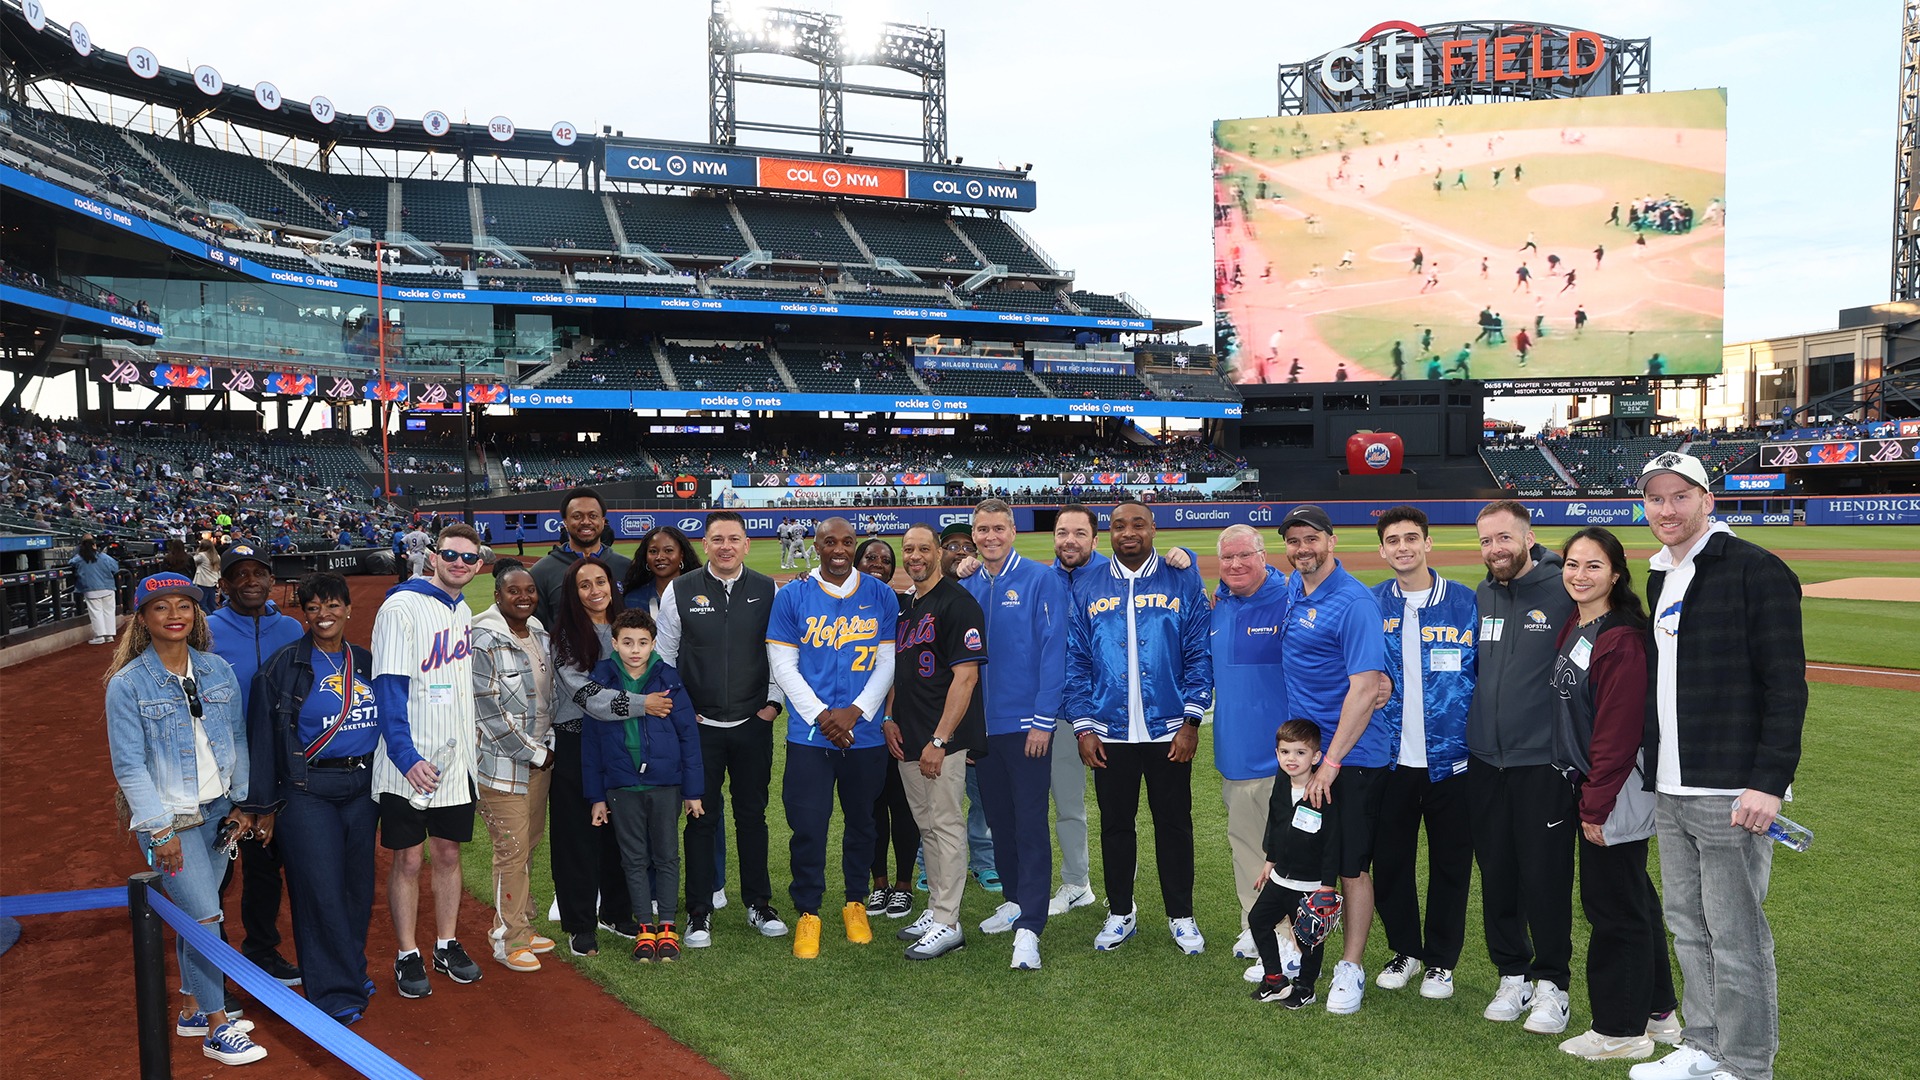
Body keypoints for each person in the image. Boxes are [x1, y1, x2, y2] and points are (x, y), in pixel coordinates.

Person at [1630, 452, 1805, 1080]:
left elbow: (1786, 686)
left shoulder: (1757, 570)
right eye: (1655, 498)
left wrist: (1770, 782)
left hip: (1733, 791)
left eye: (1680, 496)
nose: (1667, 510)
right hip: (1672, 786)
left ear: (1708, 500)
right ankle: (1703, 1047)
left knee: (1737, 938)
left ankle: (1748, 1062)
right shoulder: (1661, 575)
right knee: (1688, 929)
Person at [105, 573, 268, 1066]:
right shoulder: (127, 684)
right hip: (171, 820)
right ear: (143, 619)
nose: (174, 614)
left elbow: (237, 738)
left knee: (200, 913)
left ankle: (193, 1007)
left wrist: (242, 803)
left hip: (221, 810)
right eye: (161, 607)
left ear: (197, 614)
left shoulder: (216, 669)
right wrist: (160, 830)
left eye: (184, 605)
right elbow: (128, 766)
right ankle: (218, 1029)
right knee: (205, 919)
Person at [1549, 528, 1679, 1062]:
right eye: (1572, 564)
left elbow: (1618, 731)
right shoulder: (1581, 623)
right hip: (1593, 779)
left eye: (1593, 566)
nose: (1579, 575)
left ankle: (1620, 1030)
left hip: (1614, 783)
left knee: (1612, 907)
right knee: (1633, 897)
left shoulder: (1622, 637)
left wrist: (1596, 803)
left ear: (1617, 574)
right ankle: (1658, 1013)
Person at [1065, 501, 1212, 954]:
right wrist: (1084, 727)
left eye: (1138, 525)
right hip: (1109, 733)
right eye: (1118, 526)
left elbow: (1198, 654)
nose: (1128, 533)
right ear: (1107, 534)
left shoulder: (1181, 577)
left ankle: (1181, 915)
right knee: (1115, 825)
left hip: (1168, 730)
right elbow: (1077, 660)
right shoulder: (1087, 584)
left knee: (1174, 825)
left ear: (1153, 529)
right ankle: (1120, 911)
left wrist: (1191, 721)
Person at [241, 572, 380, 1026]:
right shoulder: (283, 666)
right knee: (319, 889)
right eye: (314, 607)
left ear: (349, 609)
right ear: (304, 613)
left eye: (333, 605)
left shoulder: (366, 660)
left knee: (356, 889)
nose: (325, 615)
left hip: (361, 788)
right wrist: (262, 807)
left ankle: (351, 971)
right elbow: (263, 740)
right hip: (306, 791)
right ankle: (333, 991)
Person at [654, 512, 789, 948]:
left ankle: (759, 903)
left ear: (747, 544)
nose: (726, 546)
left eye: (734, 539)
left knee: (752, 816)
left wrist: (772, 704)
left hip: (752, 723)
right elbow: (665, 656)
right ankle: (698, 911)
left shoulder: (769, 589)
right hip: (699, 728)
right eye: (718, 539)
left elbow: (779, 652)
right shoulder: (681, 589)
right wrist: (681, 709)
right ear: (706, 544)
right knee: (700, 818)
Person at [1468, 500, 1578, 1035]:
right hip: (1486, 763)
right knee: (1498, 874)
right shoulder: (1484, 593)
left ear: (1528, 537)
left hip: (1543, 764)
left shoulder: (1565, 589)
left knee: (1545, 877)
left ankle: (1553, 984)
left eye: (1504, 539)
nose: (1495, 550)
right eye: (1486, 541)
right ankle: (1512, 973)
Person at [766, 517, 898, 959]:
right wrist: (824, 717)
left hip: (864, 736)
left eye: (847, 542)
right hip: (810, 736)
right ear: (816, 546)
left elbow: (886, 663)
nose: (838, 549)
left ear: (854, 545)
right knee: (808, 827)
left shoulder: (881, 595)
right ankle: (808, 911)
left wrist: (855, 712)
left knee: (863, 823)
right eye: (829, 542)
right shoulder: (793, 595)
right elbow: (783, 665)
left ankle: (855, 903)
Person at [1275, 505, 1388, 1013]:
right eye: (1294, 540)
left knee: (1350, 867)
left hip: (1352, 759)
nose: (1303, 548)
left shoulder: (1353, 601)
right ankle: (1305, 951)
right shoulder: (1293, 591)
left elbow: (1365, 689)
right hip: (1313, 758)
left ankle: (1352, 966)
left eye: (1312, 538)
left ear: (1331, 541)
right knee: (1312, 861)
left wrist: (1332, 763)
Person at [370, 524, 485, 998]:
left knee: (448, 853)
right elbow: (388, 688)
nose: (459, 563)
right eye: (451, 554)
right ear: (433, 557)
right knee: (409, 859)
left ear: (478, 565)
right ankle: (406, 952)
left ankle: (445, 942)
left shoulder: (464, 610)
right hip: (409, 764)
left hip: (455, 763)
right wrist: (405, 756)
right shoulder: (401, 606)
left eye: (469, 558)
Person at [1369, 506, 1477, 1002]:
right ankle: (1406, 951)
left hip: (1452, 760)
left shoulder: (1465, 602)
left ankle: (1440, 961)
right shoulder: (1371, 605)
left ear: (1428, 543)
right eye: (1393, 540)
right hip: (1389, 762)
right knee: (1391, 862)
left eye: (1412, 537)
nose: (1403, 547)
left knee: (1451, 864)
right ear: (1383, 549)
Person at [961, 500, 1068, 970]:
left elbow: (1053, 651)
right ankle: (1013, 899)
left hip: (1026, 727)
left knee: (1028, 823)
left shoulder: (1040, 578)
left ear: (1012, 531)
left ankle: (1031, 926)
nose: (990, 537)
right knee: (998, 820)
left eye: (997, 528)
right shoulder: (965, 581)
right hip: (981, 729)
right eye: (982, 530)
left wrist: (1043, 719)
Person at [886, 523, 989, 961]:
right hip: (909, 734)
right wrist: (890, 716)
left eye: (923, 549)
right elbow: (902, 670)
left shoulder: (957, 603)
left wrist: (940, 739)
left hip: (939, 739)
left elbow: (966, 678)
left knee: (945, 825)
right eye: (908, 549)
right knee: (926, 824)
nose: (915, 556)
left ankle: (948, 921)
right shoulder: (909, 606)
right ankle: (936, 909)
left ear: (938, 552)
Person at [205, 544, 306, 990]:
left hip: (280, 765)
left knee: (266, 867)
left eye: (258, 573)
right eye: (239, 574)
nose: (249, 581)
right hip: (223, 769)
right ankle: (215, 966)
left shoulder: (290, 628)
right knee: (217, 872)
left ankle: (261, 951)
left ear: (270, 580)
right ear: (223, 583)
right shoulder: (206, 631)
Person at [582, 610, 704, 963]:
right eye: (627, 642)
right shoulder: (601, 682)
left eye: (642, 643)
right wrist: (596, 797)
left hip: (665, 784)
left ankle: (667, 927)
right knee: (633, 859)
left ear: (653, 644)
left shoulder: (668, 679)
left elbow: (688, 737)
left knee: (666, 855)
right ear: (615, 643)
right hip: (621, 786)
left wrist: (692, 792)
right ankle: (645, 928)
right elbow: (590, 746)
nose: (635, 650)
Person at [1208, 525, 1290, 980]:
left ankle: (1287, 935)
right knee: (1246, 848)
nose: (1236, 565)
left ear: (1263, 555)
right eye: (1227, 558)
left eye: (1245, 556)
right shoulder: (1217, 607)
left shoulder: (1289, 598)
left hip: (1285, 758)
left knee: (1288, 853)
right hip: (1235, 754)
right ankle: (1254, 924)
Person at [547, 557, 638, 956]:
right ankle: (580, 921)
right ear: (573, 592)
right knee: (577, 836)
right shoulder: (566, 635)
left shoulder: (627, 628)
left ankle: (617, 912)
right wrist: (643, 704)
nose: (595, 590)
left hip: (623, 741)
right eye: (584, 585)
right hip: (577, 739)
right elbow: (586, 697)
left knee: (620, 832)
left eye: (601, 581)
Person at [470, 560, 558, 973]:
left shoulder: (538, 631)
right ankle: (507, 940)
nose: (523, 597)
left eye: (530, 590)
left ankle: (520, 924)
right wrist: (537, 752)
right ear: (497, 595)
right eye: (514, 591)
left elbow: (547, 698)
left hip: (538, 759)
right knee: (512, 851)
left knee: (529, 846)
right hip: (501, 765)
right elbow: (488, 713)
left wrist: (547, 744)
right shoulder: (482, 638)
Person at [1246, 720, 1344, 1011]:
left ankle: (1305, 986)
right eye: (1285, 752)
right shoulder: (1280, 786)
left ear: (1316, 757)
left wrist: (1327, 885)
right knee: (1258, 921)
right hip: (1279, 880)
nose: (1291, 759)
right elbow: (1276, 826)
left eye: (1300, 753)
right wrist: (1269, 863)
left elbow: (1332, 843)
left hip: (1309, 885)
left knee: (1308, 938)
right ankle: (1275, 979)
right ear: (1276, 754)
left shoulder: (1323, 794)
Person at [858, 538, 918, 921]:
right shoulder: (837, 602)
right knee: (871, 808)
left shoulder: (904, 606)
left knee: (903, 804)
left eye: (885, 559)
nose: (878, 563)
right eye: (870, 557)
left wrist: (889, 715)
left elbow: (902, 666)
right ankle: (878, 883)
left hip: (897, 719)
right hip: (859, 723)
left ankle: (904, 886)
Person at [937, 521, 998, 892]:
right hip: (934, 718)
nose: (960, 552)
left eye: (967, 546)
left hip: (978, 714)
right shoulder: (916, 595)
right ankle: (931, 865)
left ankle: (984, 861)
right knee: (936, 804)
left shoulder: (986, 591)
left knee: (983, 800)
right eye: (952, 545)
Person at [531, 487, 633, 629]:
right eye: (577, 516)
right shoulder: (542, 572)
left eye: (593, 516)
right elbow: (535, 627)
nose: (586, 522)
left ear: (602, 521)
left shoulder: (625, 567)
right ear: (565, 522)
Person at [622, 526, 701, 617]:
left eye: (668, 550)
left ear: (681, 555)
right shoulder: (634, 599)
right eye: (653, 551)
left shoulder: (700, 595)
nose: (660, 557)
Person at [71, 535, 121, 644]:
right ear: (94, 545)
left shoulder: (79, 558)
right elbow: (115, 567)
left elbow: (71, 563)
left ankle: (100, 636)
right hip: (107, 587)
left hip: (91, 589)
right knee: (109, 611)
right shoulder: (104, 557)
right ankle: (109, 635)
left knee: (96, 612)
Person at [192, 537, 221, 610]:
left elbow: (193, 560)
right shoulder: (217, 556)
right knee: (211, 603)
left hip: (203, 582)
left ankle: (209, 617)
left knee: (202, 604)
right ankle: (214, 617)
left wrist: (197, 551)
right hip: (213, 581)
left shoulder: (202, 555)